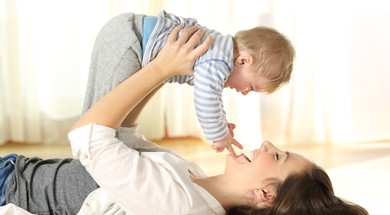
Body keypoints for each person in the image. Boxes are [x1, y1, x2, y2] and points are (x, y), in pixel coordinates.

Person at [0, 25, 368, 215]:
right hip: (17, 169)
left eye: (277, 156)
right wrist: (159, 64)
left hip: (9, 188)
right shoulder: (191, 179)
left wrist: (161, 68)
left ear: (265, 195)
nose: (267, 145)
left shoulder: (176, 208)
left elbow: (87, 136)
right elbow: (122, 135)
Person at [81, 10, 295, 156]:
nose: (245, 92)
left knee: (116, 112)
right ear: (243, 61)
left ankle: (117, 149)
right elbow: (207, 99)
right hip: (129, 39)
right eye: (251, 86)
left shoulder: (218, 54)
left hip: (131, 38)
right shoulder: (218, 59)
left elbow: (211, 96)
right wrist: (220, 135)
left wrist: (220, 121)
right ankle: (88, 154)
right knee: (98, 119)